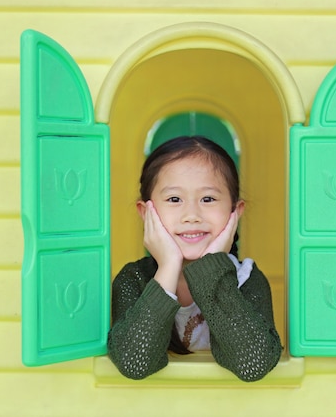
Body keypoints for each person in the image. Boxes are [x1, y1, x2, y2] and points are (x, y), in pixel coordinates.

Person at [107, 136, 282, 382]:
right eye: (174, 199)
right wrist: (168, 266)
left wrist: (211, 269)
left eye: (208, 199)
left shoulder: (246, 279)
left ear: (235, 211)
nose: (191, 215)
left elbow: (253, 364)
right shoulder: (134, 279)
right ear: (146, 212)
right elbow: (134, 363)